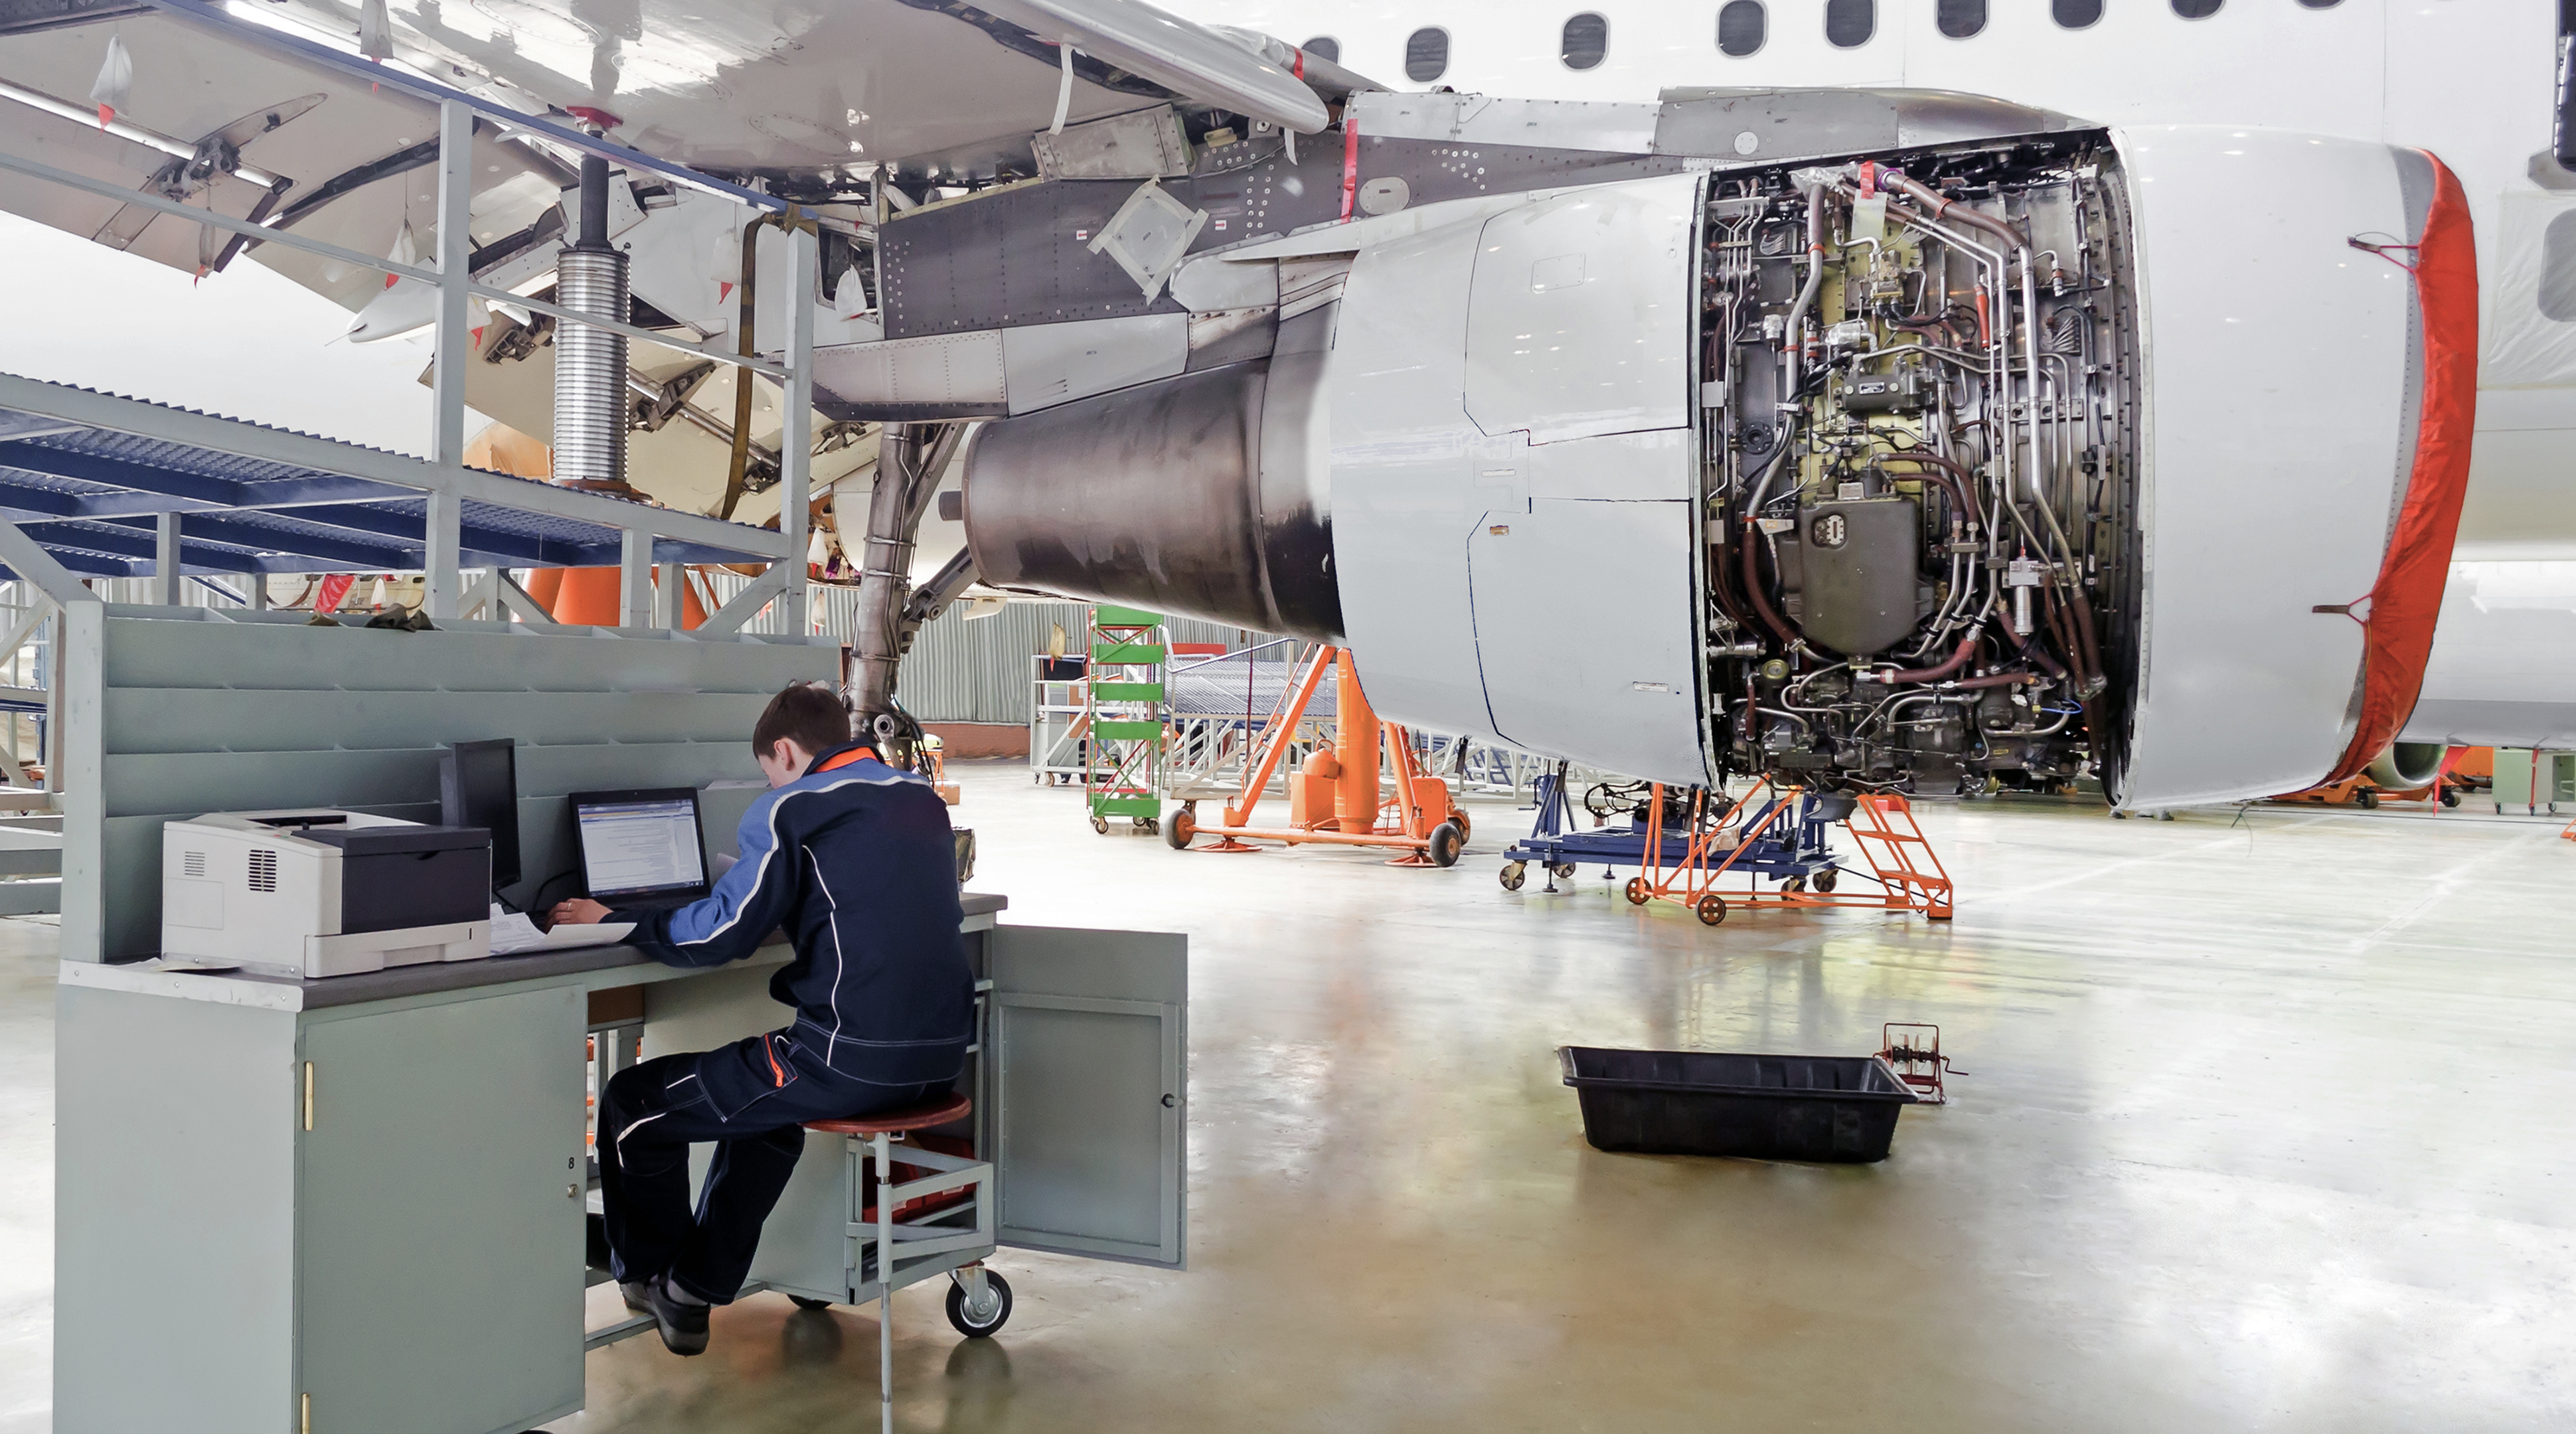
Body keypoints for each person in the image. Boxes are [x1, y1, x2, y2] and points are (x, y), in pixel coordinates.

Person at [550, 681, 971, 1356]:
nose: (769, 783)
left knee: (632, 1105)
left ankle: (660, 1278)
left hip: (847, 1058)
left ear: (782, 751)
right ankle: (695, 1282)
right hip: (938, 1058)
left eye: (767, 771)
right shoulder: (914, 796)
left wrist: (617, 919)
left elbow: (721, 936)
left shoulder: (793, 807)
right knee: (763, 1114)